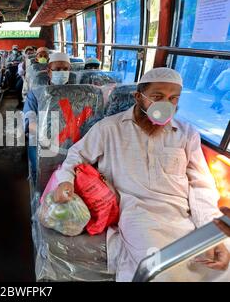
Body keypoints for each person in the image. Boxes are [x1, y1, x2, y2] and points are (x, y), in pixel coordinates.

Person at [53, 67, 230, 281]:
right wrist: (65, 181)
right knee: (164, 273)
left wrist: (209, 228)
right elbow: (76, 155)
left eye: (173, 99)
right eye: (158, 97)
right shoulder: (110, 128)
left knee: (220, 269)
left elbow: (201, 184)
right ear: (139, 97)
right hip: (138, 214)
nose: (167, 104)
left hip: (183, 215)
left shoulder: (187, 133)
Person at [24, 52, 71, 182]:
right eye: (57, 69)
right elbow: (29, 119)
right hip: (42, 138)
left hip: (72, 139)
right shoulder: (36, 93)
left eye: (65, 69)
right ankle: (38, 188)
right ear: (48, 71)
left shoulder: (79, 92)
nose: (62, 72)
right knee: (40, 170)